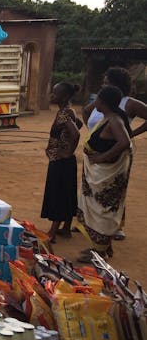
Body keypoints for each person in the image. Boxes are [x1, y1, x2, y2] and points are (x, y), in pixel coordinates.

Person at [82, 67, 146, 240]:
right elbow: (86, 111)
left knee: (111, 192)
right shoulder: (103, 100)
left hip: (113, 157)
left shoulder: (127, 104)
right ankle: (92, 223)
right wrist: (94, 132)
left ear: (116, 85)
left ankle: (112, 227)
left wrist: (131, 133)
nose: (102, 85)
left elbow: (123, 140)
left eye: (106, 82)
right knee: (93, 192)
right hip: (95, 156)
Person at [76, 85, 132, 262]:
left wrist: (102, 158)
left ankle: (99, 253)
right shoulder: (108, 117)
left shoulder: (114, 120)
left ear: (104, 102)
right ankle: (99, 248)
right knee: (98, 210)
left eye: (97, 99)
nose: (95, 102)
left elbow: (124, 142)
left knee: (102, 211)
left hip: (105, 176)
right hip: (97, 175)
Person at [41, 83, 81, 243]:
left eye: (55, 93)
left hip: (61, 160)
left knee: (58, 194)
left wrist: (67, 151)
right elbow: (79, 124)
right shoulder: (68, 110)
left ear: (64, 97)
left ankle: (52, 231)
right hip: (64, 161)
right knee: (66, 193)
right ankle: (66, 228)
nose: (52, 95)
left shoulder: (64, 113)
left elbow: (76, 133)